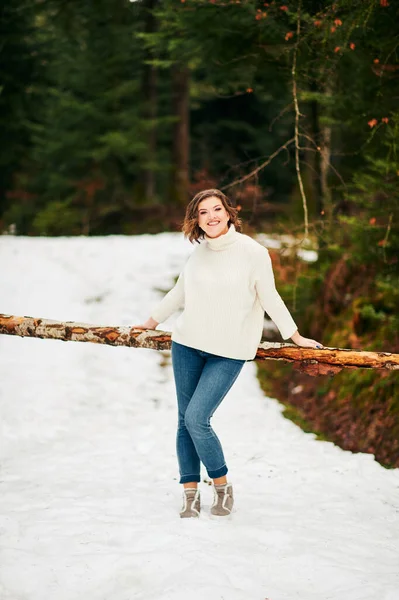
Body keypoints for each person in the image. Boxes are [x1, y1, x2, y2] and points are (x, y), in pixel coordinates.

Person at [132, 189, 323, 519]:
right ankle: (189, 492)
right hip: (188, 344)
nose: (211, 216)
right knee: (183, 421)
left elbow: (271, 298)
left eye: (217, 209)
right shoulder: (199, 254)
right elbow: (179, 293)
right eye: (203, 212)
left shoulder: (253, 252)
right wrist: (149, 323)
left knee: (197, 419)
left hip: (229, 351)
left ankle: (221, 485)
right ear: (196, 220)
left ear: (229, 213)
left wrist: (296, 336)